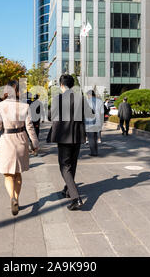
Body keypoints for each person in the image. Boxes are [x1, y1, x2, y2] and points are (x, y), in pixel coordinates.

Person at [47, 75, 94, 211]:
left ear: (62, 85)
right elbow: (90, 114)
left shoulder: (58, 99)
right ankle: (68, 190)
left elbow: (50, 116)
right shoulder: (80, 98)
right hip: (78, 136)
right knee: (72, 164)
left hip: (63, 137)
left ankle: (76, 198)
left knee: (64, 166)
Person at [0, 80, 39, 216]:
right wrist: (35, 143)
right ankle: (17, 198)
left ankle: (12, 198)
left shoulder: (0, 106)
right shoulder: (24, 106)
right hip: (21, 139)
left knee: (8, 174)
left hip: (7, 140)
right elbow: (30, 127)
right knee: (18, 173)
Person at [85, 90, 104, 157]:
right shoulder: (100, 101)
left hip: (89, 122)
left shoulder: (87, 102)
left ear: (89, 95)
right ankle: (96, 151)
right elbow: (102, 113)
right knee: (95, 137)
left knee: (91, 138)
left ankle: (94, 152)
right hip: (98, 122)